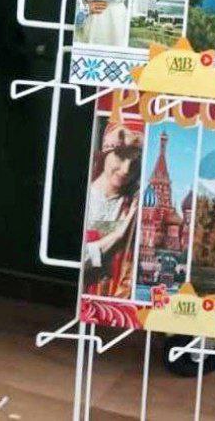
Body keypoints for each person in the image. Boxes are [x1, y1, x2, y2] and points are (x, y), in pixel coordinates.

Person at [81, 121, 143, 298]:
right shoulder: (87, 195)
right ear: (106, 154)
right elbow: (79, 260)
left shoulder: (133, 203)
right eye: (121, 156)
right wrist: (116, 235)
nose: (126, 170)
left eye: (134, 163)